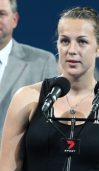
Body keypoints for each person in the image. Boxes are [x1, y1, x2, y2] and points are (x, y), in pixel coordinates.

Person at [0, 7, 99, 171]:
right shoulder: (27, 98)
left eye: (82, 42)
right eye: (65, 41)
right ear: (57, 45)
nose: (72, 50)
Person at [0, 0, 57, 142]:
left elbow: (50, 123)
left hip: (18, 161)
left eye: (1, 14)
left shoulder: (42, 62)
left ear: (15, 19)